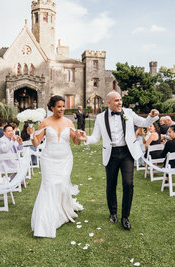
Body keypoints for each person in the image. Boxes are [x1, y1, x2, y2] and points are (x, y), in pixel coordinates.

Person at [78, 91, 159, 230]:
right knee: (111, 185)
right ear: (108, 103)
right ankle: (113, 213)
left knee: (128, 184)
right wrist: (86, 139)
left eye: (120, 100)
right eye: (116, 100)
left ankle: (125, 216)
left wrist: (152, 116)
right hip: (111, 154)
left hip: (127, 152)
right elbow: (96, 137)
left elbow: (144, 122)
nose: (120, 102)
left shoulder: (129, 112)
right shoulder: (100, 118)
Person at [27, 95, 83, 238]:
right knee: (48, 186)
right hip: (48, 159)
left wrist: (79, 136)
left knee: (62, 185)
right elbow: (36, 143)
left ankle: (62, 212)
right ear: (52, 108)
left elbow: (75, 142)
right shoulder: (44, 123)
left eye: (63, 106)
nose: (62, 109)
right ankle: (45, 222)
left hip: (65, 159)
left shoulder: (69, 122)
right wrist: (32, 135)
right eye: (59, 106)